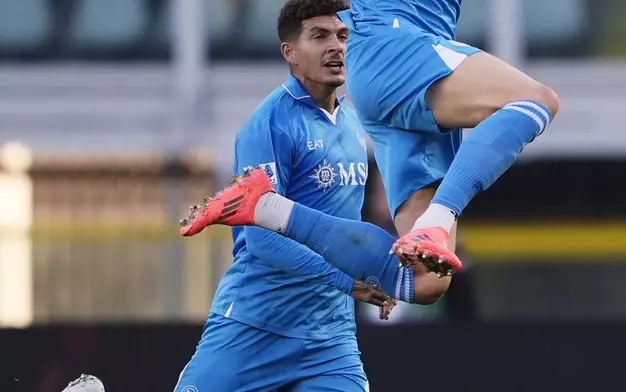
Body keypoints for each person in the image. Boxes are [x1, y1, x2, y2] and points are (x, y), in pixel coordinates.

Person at [175, 1, 446, 391]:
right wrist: (348, 280)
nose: (336, 47)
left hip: (329, 340)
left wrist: (374, 268)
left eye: (342, 36)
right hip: (255, 327)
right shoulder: (268, 124)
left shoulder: (353, 124)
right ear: (290, 52)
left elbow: (346, 230)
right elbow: (263, 239)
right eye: (319, 37)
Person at [334, 0, 559, 270]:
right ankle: (440, 216)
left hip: (380, 66)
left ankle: (339, 269)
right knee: (537, 100)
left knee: (426, 277)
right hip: (397, 49)